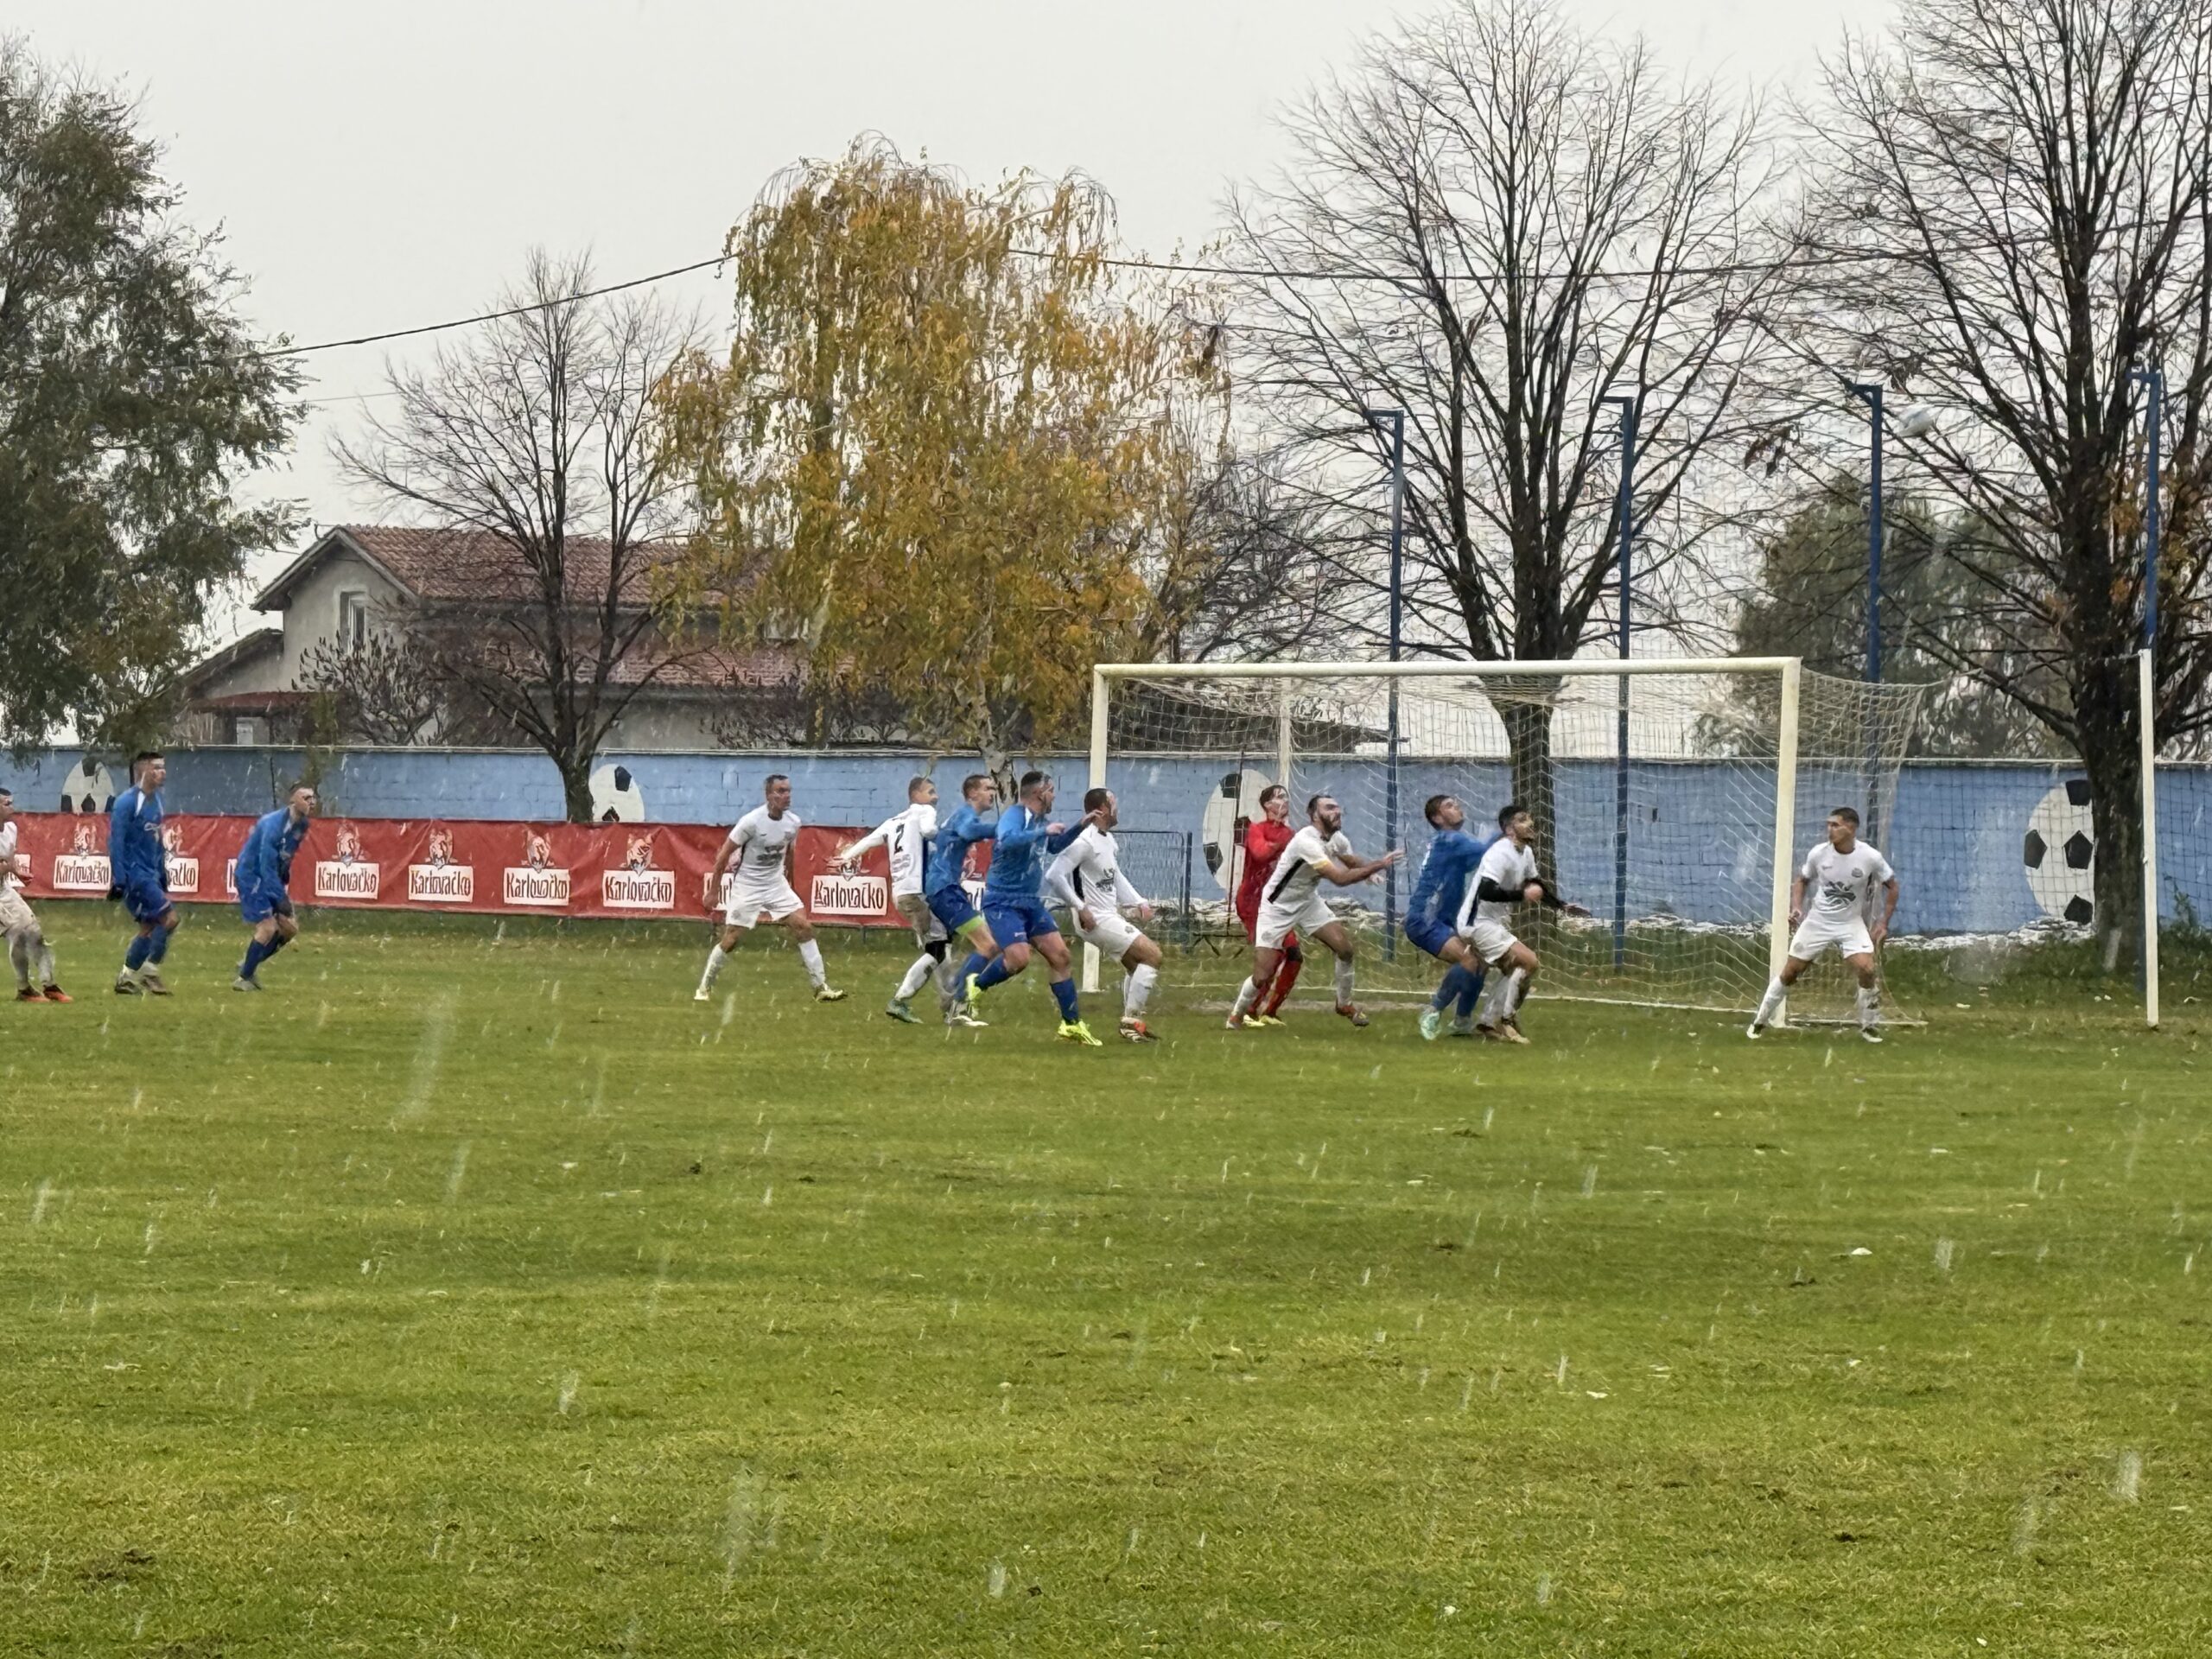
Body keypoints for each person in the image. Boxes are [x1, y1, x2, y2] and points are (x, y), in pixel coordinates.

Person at [1228, 793, 1400, 1029]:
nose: (1337, 811)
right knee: (1262, 974)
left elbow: (1351, 861)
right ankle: (1236, 1015)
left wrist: (1370, 872)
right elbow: (1339, 879)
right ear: (1315, 815)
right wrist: (1379, 864)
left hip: (1308, 900)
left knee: (1345, 950)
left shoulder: (1336, 838)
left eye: (1337, 807)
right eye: (1329, 808)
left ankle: (1344, 1004)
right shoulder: (1306, 842)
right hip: (1278, 906)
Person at [958, 771, 1100, 1045]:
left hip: (1030, 901)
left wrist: (1080, 826)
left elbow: (1053, 846)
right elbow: (1007, 838)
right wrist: (1041, 831)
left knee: (1061, 957)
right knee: (1019, 959)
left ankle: (1071, 1024)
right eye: (1051, 790)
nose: (1054, 795)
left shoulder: (1039, 821)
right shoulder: (1015, 815)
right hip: (1003, 900)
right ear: (1039, 793)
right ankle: (976, 985)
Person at [1748, 805, 1899, 1044]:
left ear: (1851, 828)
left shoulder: (1870, 857)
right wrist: (1796, 907)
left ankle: (1869, 1027)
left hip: (1850, 923)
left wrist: (1883, 923)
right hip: (1818, 922)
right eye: (1828, 825)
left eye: (1835, 825)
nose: (1829, 829)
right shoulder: (1819, 854)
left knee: (1867, 969)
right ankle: (1759, 1021)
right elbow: (1802, 881)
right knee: (1791, 972)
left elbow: (1893, 886)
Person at [696, 774, 846, 1004]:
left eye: (788, 790)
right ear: (768, 795)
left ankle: (820, 987)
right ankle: (704, 987)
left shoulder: (793, 822)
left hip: (775, 883)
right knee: (731, 939)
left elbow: (790, 853)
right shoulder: (751, 822)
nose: (787, 796)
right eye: (781, 791)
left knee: (804, 928)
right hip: (748, 885)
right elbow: (724, 854)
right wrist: (713, 891)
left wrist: (791, 885)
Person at [1458, 801, 1587, 1044]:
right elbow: (1486, 891)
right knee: (1529, 961)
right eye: (1522, 820)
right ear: (1509, 830)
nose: (1530, 823)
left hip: (1493, 922)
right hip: (1477, 922)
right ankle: (1505, 1021)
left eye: (1529, 818)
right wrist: (1522, 895)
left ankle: (1488, 1022)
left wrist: (1561, 906)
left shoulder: (1526, 852)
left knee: (1516, 969)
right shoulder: (1499, 853)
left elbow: (1535, 884)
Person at [838, 775, 962, 1025]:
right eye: (931, 791)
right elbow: (929, 831)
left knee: (938, 948)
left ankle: (950, 1005)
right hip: (919, 891)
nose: (936, 797)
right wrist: (947, 837)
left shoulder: (893, 821)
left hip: (901, 893)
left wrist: (845, 857)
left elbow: (867, 842)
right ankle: (900, 1000)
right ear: (916, 795)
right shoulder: (924, 812)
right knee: (939, 948)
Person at [1046, 787, 1163, 1042]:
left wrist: (1139, 902)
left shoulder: (1107, 839)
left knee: (1137, 966)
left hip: (1107, 915)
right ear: (1102, 810)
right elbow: (1054, 875)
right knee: (1152, 955)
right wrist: (1080, 907)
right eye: (1113, 803)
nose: (1117, 808)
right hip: (1094, 918)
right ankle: (1131, 1023)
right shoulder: (1084, 841)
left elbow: (1115, 876)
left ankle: (1131, 1024)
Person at [1406, 795, 1492, 1041]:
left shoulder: (1451, 844)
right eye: (1450, 806)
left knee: (1481, 963)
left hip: (1442, 920)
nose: (1458, 808)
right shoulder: (1449, 839)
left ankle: (1462, 1021)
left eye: (1457, 804)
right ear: (1437, 817)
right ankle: (1433, 1010)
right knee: (1468, 961)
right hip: (1425, 919)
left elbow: (1479, 860)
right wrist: (1504, 834)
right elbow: (1485, 851)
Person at [924, 774, 1000, 1028]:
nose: (993, 792)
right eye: (988, 788)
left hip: (944, 888)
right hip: (944, 890)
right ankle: (957, 1002)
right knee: (988, 946)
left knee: (988, 945)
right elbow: (967, 831)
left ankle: (954, 993)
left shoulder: (959, 815)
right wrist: (1001, 829)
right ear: (972, 793)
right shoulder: (966, 816)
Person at [110, 751, 180, 996]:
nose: (162, 772)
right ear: (143, 770)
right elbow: (116, 842)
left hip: (150, 874)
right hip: (135, 875)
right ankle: (150, 972)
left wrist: (162, 871)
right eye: (157, 768)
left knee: (149, 927)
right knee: (170, 918)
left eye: (163, 767)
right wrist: (119, 879)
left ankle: (125, 978)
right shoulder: (127, 802)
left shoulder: (156, 801)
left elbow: (157, 841)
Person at [233, 784, 316, 991]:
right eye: (306, 798)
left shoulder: (302, 824)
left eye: (313, 798)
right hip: (252, 876)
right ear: (292, 800)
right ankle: (243, 978)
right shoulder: (272, 825)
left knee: (289, 929)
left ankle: (249, 964)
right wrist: (279, 896)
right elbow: (266, 865)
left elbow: (287, 854)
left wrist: (284, 874)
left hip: (271, 878)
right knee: (268, 927)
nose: (312, 802)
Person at [1232, 785, 1302, 1026]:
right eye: (1278, 797)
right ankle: (1248, 1011)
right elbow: (1261, 854)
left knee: (1294, 955)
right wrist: (1281, 845)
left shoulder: (1291, 834)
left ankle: (1269, 1011)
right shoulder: (1256, 829)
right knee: (1271, 957)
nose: (1284, 800)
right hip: (1252, 902)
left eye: (1286, 796)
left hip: (1274, 905)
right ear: (1267, 805)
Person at [0, 787, 69, 1002]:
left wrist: (17, 873)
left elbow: (7, 861)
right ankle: (24, 989)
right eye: (6, 804)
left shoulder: (10, 829)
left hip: (3, 888)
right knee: (19, 932)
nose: (12, 808)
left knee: (32, 930)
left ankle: (49, 985)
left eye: (11, 802)